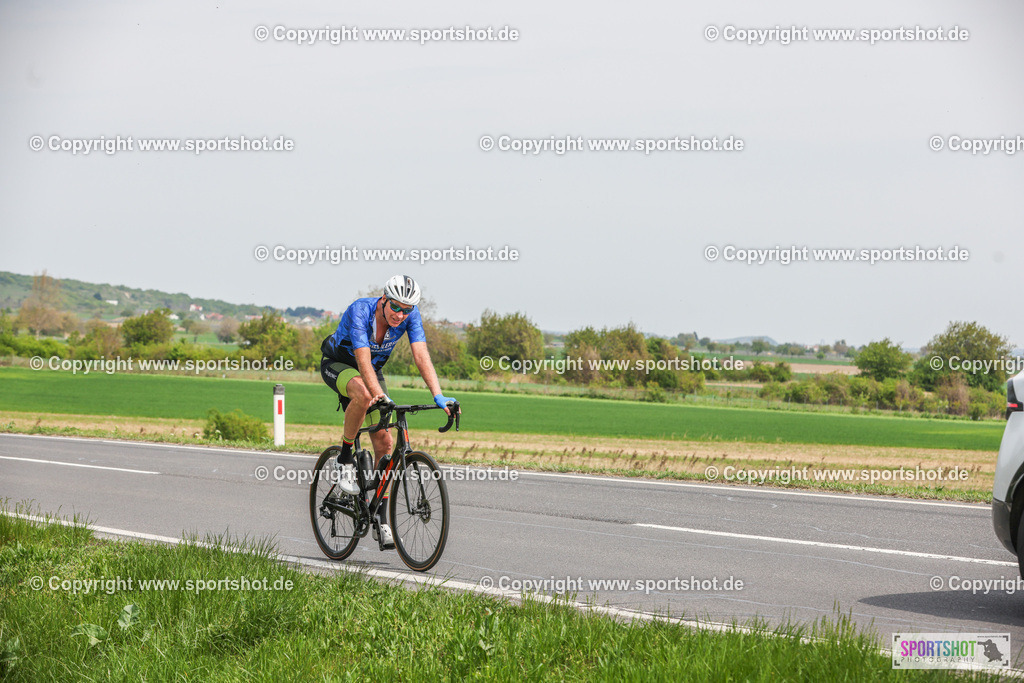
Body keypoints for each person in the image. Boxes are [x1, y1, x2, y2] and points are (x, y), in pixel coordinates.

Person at [320, 274, 456, 549]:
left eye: (407, 310)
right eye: (395, 307)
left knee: (385, 442)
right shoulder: (361, 310)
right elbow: (363, 359)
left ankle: (381, 516)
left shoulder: (410, 316)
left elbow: (421, 355)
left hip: (372, 370)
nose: (400, 314)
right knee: (365, 394)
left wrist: (438, 395)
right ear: (383, 300)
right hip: (339, 363)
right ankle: (345, 458)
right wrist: (379, 395)